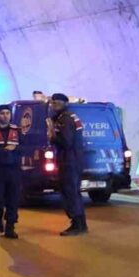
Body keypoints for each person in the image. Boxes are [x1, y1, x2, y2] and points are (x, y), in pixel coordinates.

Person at [48, 93, 87, 236]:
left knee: (69, 192)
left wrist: (53, 138)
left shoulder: (64, 119)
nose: (54, 106)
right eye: (53, 103)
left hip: (68, 161)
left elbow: (66, 141)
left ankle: (76, 224)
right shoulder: (71, 116)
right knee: (74, 192)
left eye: (56, 103)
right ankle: (81, 224)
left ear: (64, 103)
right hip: (75, 160)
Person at [0, 104, 23, 239]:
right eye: (2, 113)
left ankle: (10, 227)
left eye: (7, 113)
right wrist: (4, 150)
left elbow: (25, 148)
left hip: (14, 170)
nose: (5, 115)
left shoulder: (17, 130)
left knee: (13, 199)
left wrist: (16, 149)